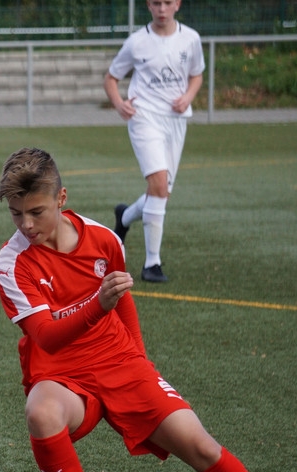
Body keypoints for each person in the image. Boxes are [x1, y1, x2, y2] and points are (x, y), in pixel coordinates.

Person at [0, 147, 297, 472]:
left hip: (121, 362)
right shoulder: (11, 262)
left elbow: (122, 300)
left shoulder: (104, 240)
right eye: (16, 214)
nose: (26, 225)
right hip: (61, 375)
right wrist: (96, 303)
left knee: (202, 447)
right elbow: (45, 335)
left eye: (36, 212)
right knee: (41, 412)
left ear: (61, 198)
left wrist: (140, 362)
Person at [103, 0, 204, 284]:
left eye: (167, 2)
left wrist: (188, 97)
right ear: (148, 5)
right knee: (159, 185)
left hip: (176, 121)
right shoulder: (137, 42)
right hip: (144, 117)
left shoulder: (191, 39)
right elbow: (111, 78)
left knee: (161, 193)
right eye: (156, 3)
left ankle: (124, 218)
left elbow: (196, 75)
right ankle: (152, 264)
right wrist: (119, 103)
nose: (162, 8)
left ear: (177, 4)